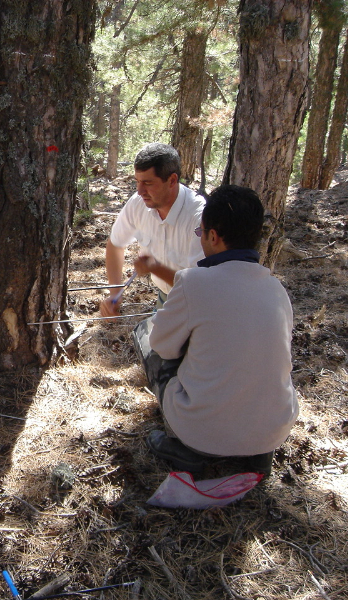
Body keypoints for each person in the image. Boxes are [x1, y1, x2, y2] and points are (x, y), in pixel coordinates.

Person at [132, 185, 298, 475]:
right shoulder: (277, 289)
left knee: (146, 331)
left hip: (202, 433)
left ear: (213, 236)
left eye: (200, 233)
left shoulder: (193, 282)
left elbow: (162, 345)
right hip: (274, 430)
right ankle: (256, 453)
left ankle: (185, 447)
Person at [100, 143, 205, 317]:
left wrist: (155, 268)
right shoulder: (138, 204)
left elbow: (199, 288)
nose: (140, 191)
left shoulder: (197, 217)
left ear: (172, 180)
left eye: (148, 183)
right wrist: (115, 293)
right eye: (137, 181)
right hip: (166, 299)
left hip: (198, 307)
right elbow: (115, 244)